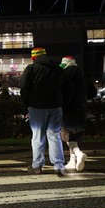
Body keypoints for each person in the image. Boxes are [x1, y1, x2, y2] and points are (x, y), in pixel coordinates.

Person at [19, 47, 71, 177]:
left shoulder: (31, 69)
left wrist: (26, 104)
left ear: (34, 58)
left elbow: (24, 87)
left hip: (36, 107)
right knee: (54, 135)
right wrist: (63, 103)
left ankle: (37, 166)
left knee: (37, 136)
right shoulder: (58, 69)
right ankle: (58, 165)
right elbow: (68, 88)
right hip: (55, 106)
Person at [59, 56, 97, 171]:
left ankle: (78, 154)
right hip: (81, 109)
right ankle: (72, 161)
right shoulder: (83, 76)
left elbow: (61, 92)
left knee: (64, 134)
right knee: (75, 136)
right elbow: (93, 92)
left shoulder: (64, 76)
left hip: (67, 108)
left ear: (66, 65)